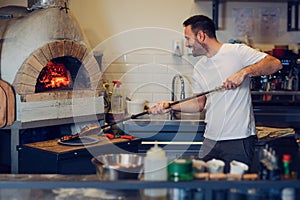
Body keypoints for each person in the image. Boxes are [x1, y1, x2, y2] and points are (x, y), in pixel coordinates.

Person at [150, 15, 282, 173]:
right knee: (206, 189)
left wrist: (244, 73)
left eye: (188, 38)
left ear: (201, 35)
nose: (186, 44)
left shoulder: (236, 51)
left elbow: (275, 63)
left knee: (235, 192)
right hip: (210, 140)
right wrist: (171, 106)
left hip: (238, 139)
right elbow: (199, 104)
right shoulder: (199, 68)